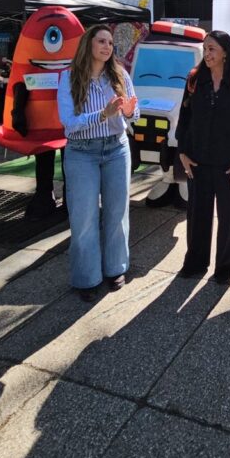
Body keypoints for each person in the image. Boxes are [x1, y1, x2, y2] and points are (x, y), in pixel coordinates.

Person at [57, 25, 138, 302]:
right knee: (84, 218)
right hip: (82, 152)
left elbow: (133, 113)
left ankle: (116, 268)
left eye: (110, 43)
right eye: (101, 41)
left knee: (117, 212)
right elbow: (69, 124)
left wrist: (130, 112)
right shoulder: (68, 77)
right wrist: (102, 114)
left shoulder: (120, 75)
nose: (107, 47)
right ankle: (87, 278)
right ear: (88, 44)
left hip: (116, 148)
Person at [176, 30, 230, 285]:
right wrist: (182, 153)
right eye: (205, 48)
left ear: (225, 53)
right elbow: (184, 119)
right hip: (197, 161)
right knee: (197, 215)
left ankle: (225, 268)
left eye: (212, 49)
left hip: (229, 163)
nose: (207, 53)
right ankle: (195, 263)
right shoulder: (194, 79)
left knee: (229, 217)